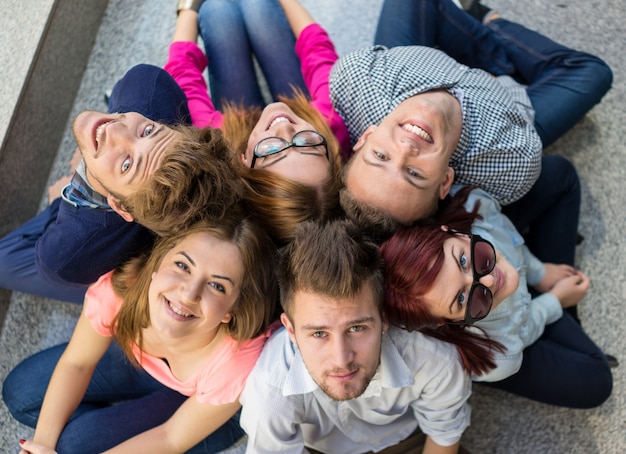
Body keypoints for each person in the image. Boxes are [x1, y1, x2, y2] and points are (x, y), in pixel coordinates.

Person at [3, 211, 279, 453]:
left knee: (72, 446)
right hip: (143, 364)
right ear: (157, 265)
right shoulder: (122, 289)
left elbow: (171, 439)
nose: (188, 293)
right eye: (183, 266)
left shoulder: (236, 363)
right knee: (20, 392)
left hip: (210, 411)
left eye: (217, 286)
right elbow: (77, 363)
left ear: (232, 309)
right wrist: (41, 446)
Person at [335, 0, 613, 227]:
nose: (406, 149)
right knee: (593, 73)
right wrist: (499, 84)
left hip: (430, 62)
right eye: (415, 173)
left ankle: (490, 46)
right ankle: (492, 23)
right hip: (508, 99)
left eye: (381, 156)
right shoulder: (508, 163)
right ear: (445, 181)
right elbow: (521, 125)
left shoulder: (359, 80)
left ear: (366, 137)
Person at [239, 219, 472, 453]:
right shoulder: (270, 391)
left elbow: (444, 434)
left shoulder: (433, 360)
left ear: (384, 319)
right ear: (291, 331)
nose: (341, 359)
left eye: (356, 328)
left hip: (407, 440)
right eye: (319, 333)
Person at [379, 183, 613, 408]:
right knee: (597, 382)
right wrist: (556, 301)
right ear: (448, 322)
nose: (489, 280)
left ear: (452, 232)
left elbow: (510, 239)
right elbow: (521, 332)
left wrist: (539, 272)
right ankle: (562, 293)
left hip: (507, 271)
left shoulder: (475, 206)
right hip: (501, 338)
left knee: (561, 175)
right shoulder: (498, 359)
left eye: (462, 260)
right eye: (461, 298)